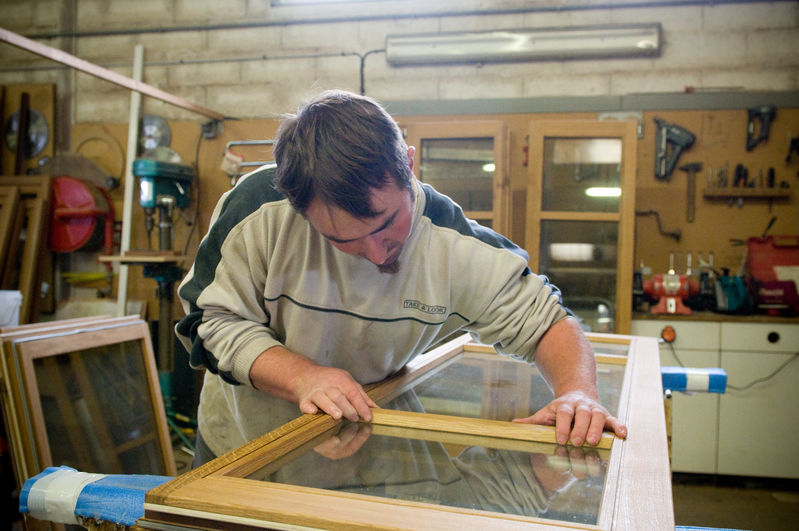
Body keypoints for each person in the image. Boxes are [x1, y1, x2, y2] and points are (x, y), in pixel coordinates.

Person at [176, 89, 627, 467]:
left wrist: (578, 393)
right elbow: (209, 322)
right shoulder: (257, 210)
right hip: (240, 450)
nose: (375, 254)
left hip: (370, 451)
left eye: (387, 223)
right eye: (341, 240)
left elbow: (547, 323)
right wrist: (303, 377)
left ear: (408, 165)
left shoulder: (453, 241)